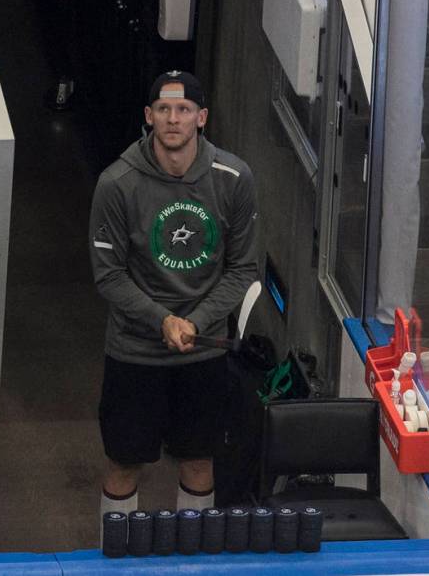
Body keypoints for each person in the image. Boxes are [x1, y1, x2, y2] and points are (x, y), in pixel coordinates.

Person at [89, 70, 258, 520]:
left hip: (202, 354)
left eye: (184, 109)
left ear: (201, 117)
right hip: (134, 352)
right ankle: (115, 563)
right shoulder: (117, 183)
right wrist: (162, 320)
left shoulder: (234, 179)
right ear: (148, 116)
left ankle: (193, 564)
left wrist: (195, 323)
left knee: (199, 461)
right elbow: (108, 275)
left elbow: (243, 268)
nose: (173, 119)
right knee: (124, 463)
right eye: (163, 109)